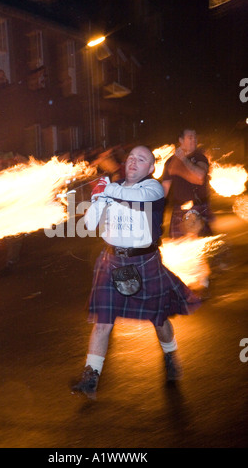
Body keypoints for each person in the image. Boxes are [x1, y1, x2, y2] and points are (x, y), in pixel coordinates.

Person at [71, 145, 201, 399]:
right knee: (103, 323)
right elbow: (88, 223)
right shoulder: (112, 187)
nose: (133, 162)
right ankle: (91, 377)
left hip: (145, 263)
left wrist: (105, 188)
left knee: (160, 319)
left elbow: (137, 198)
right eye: (131, 158)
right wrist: (99, 199)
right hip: (111, 261)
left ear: (150, 168)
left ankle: (170, 355)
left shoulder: (152, 188)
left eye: (141, 159)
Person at [162, 129, 213, 238]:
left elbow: (200, 176)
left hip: (198, 207)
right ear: (181, 140)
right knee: (178, 246)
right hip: (179, 209)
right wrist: (158, 208)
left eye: (195, 137)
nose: (194, 140)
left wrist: (183, 160)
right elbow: (164, 188)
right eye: (190, 138)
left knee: (203, 245)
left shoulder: (200, 157)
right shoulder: (170, 161)